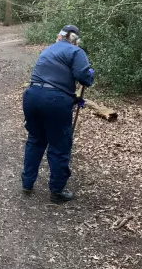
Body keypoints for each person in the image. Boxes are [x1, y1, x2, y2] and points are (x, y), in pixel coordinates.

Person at [22, 25, 95, 203]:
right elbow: (85, 78)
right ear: (76, 40)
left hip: (32, 96)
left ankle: (27, 182)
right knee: (60, 145)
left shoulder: (48, 50)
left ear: (59, 37)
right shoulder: (76, 52)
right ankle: (57, 190)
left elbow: (50, 78)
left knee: (36, 139)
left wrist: (71, 98)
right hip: (54, 101)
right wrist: (90, 73)